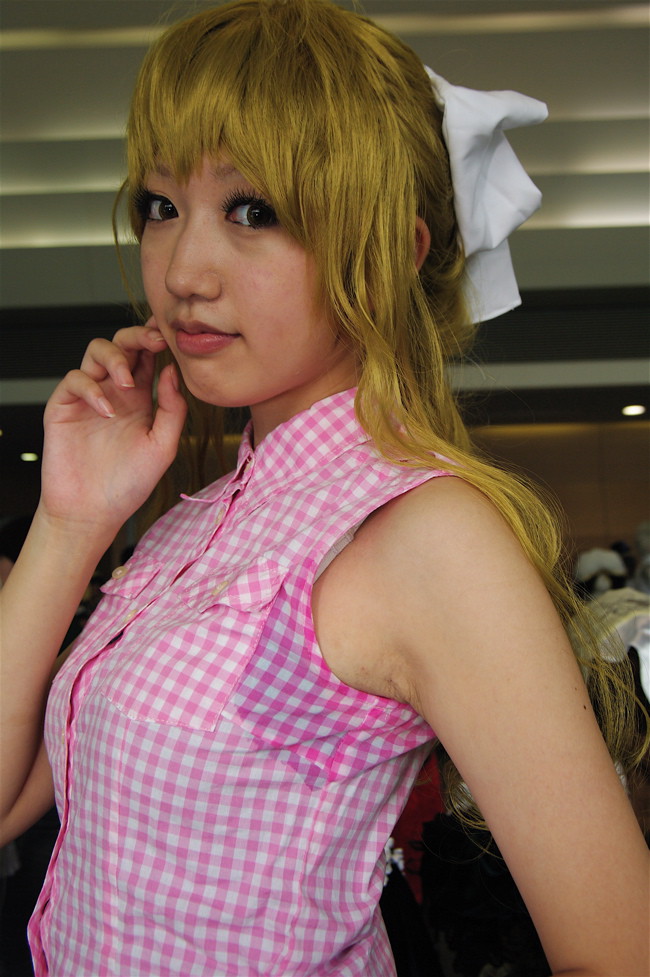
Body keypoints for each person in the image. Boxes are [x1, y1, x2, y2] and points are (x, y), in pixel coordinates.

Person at [0, 2, 648, 975]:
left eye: (252, 211)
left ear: (392, 252)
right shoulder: (190, 528)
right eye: (160, 205)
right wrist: (69, 521)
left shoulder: (420, 532)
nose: (183, 271)